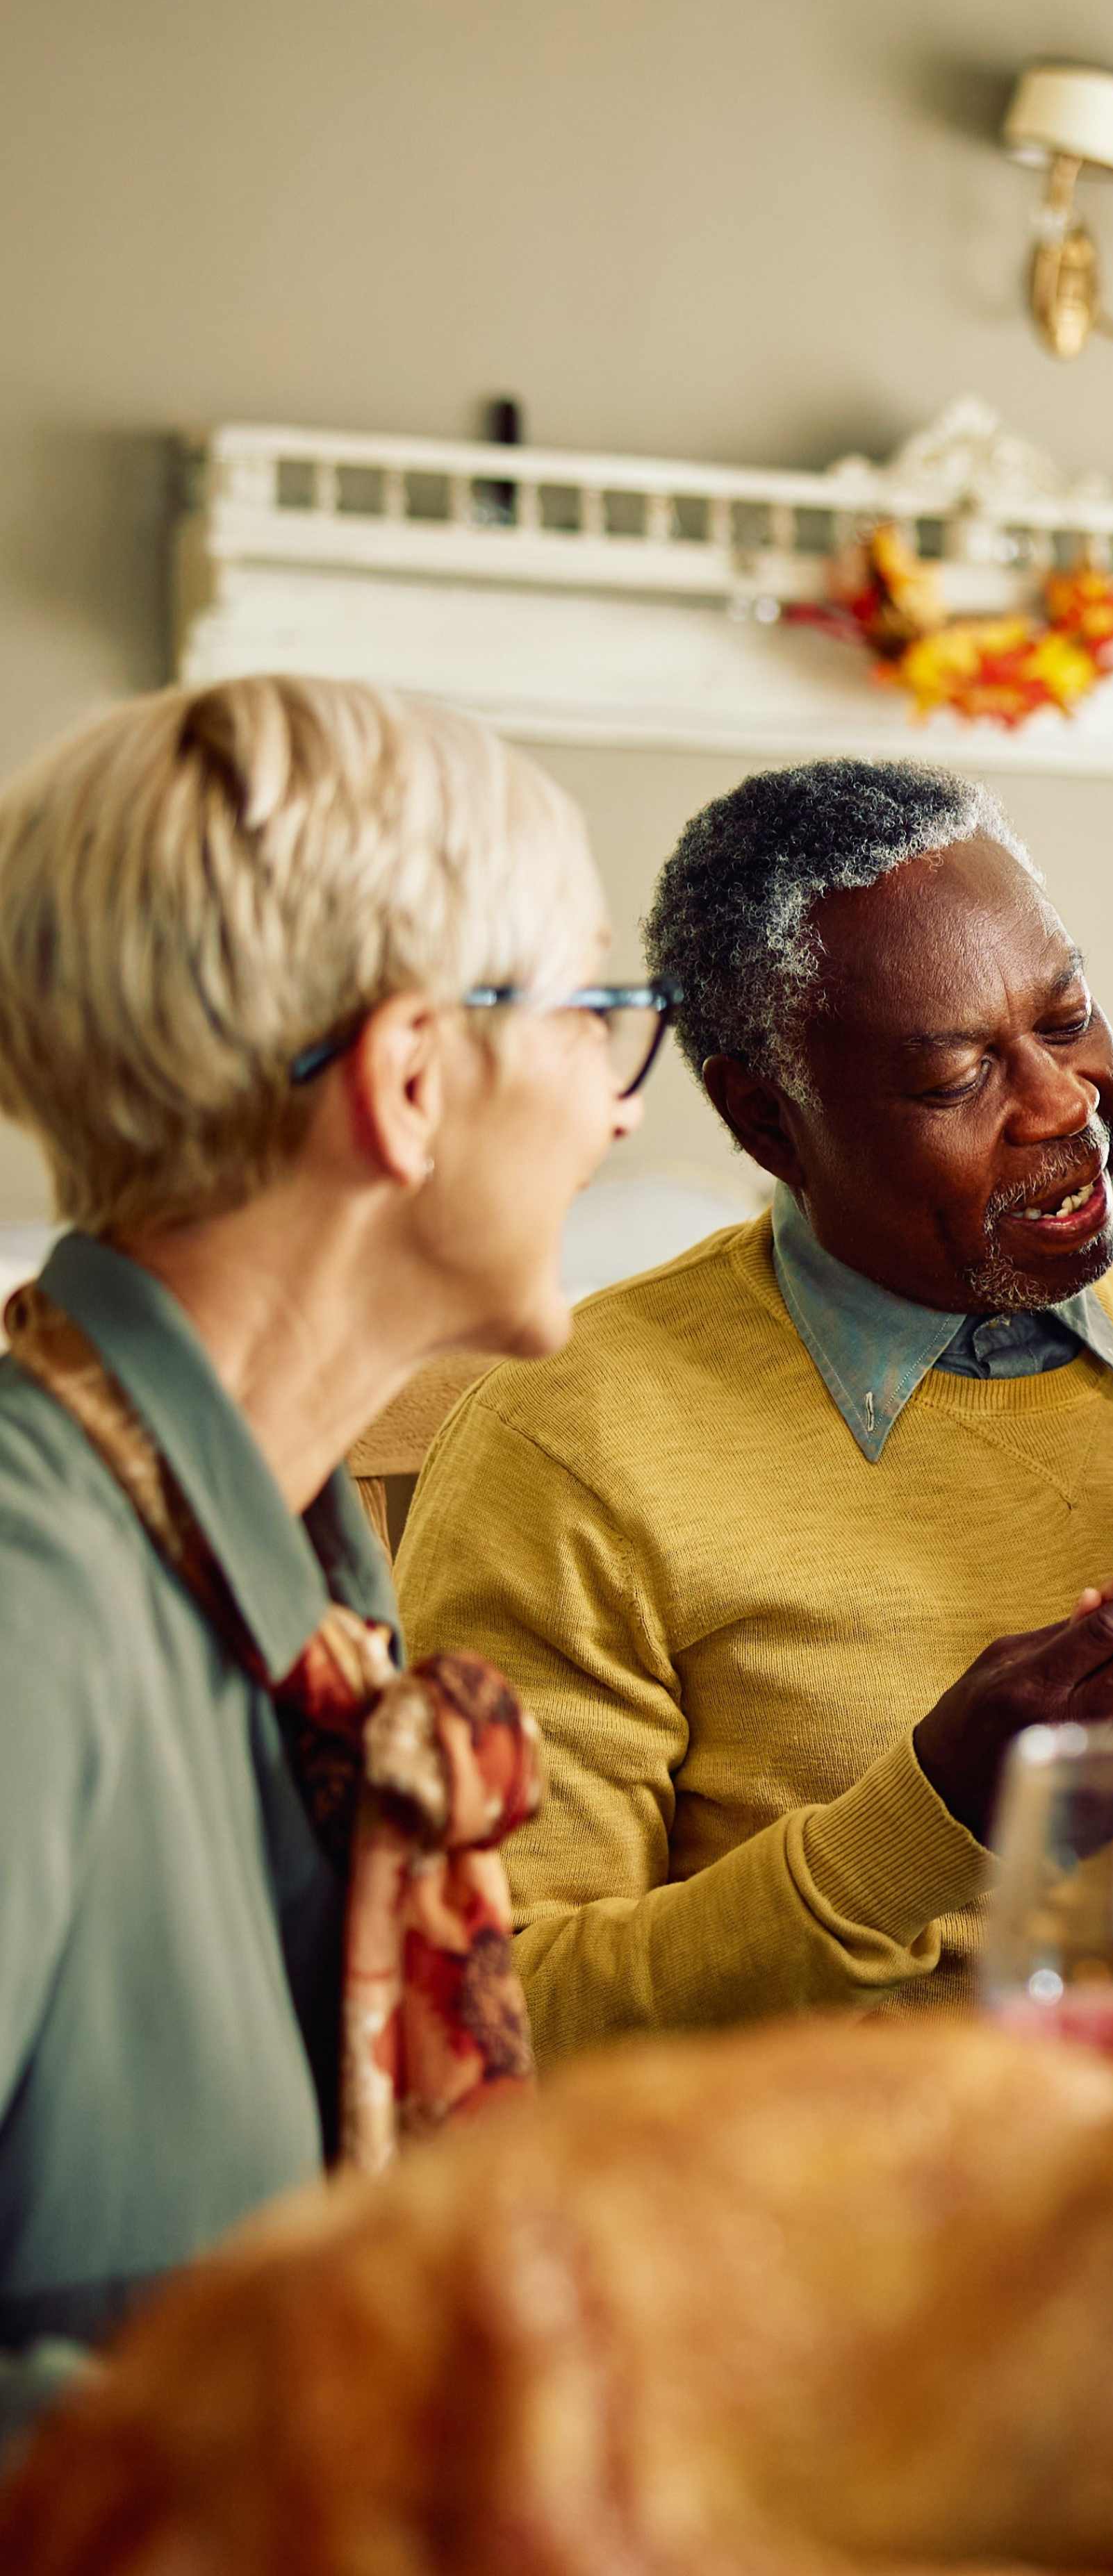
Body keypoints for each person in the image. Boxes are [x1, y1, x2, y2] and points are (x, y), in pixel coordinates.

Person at [396, 761, 1113, 2060]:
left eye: (1067, 1017)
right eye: (955, 1079)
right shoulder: (572, 1442)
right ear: (769, 1120)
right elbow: (493, 2017)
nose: (1061, 1101)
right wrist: (929, 1818)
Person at [0, 676, 650, 2445]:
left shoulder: (314, 1595)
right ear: (415, 1080)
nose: (622, 1110)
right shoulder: (29, 1589)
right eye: (598, 1012)